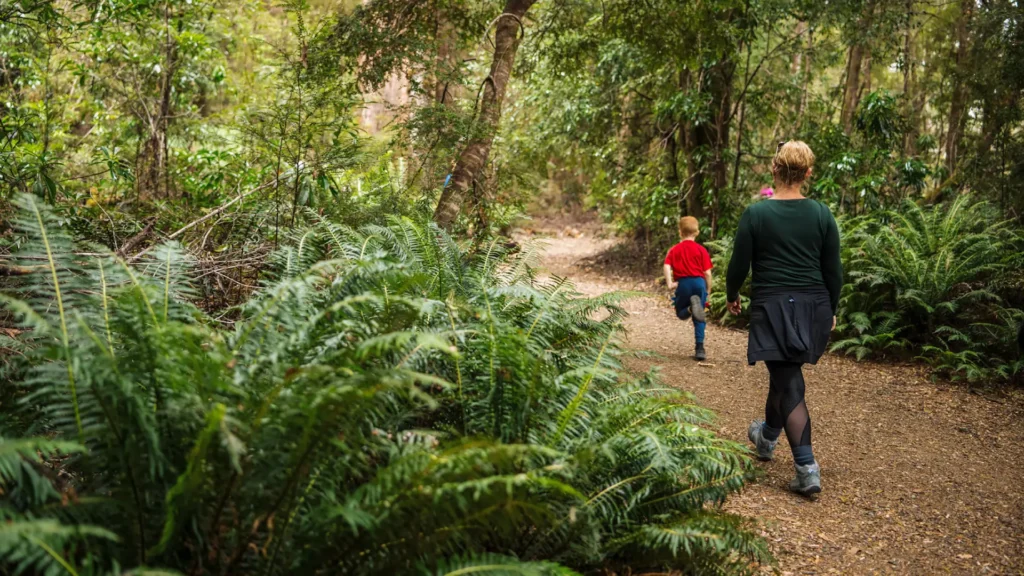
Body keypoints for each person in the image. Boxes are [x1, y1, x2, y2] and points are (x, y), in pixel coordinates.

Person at [725, 140, 842, 498]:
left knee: (788, 379)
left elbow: (738, 264)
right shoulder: (822, 214)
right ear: (808, 174)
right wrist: (832, 309)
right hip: (813, 307)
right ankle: (767, 437)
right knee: (783, 375)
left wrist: (732, 294)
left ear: (774, 170)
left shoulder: (756, 214)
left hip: (774, 305)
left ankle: (807, 468)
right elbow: (833, 269)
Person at [664, 216, 714, 361]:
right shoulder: (701, 250)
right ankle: (700, 348)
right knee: (700, 318)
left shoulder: (675, 250)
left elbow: (667, 265)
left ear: (680, 232)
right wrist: (708, 290)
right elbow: (707, 273)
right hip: (699, 283)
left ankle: (691, 309)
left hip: (683, 284)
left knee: (681, 313)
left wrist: (670, 283)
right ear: (697, 232)